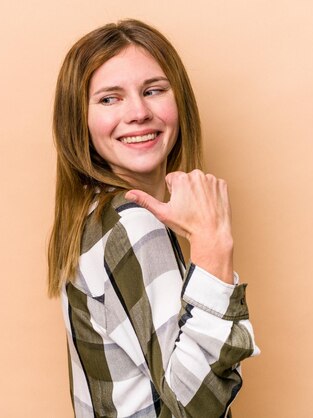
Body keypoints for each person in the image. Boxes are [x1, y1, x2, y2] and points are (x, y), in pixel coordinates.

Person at [47, 19, 259, 417]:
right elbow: (197, 406)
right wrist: (213, 241)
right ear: (80, 120)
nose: (139, 112)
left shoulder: (95, 216)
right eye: (110, 98)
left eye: (153, 90)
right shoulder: (132, 224)